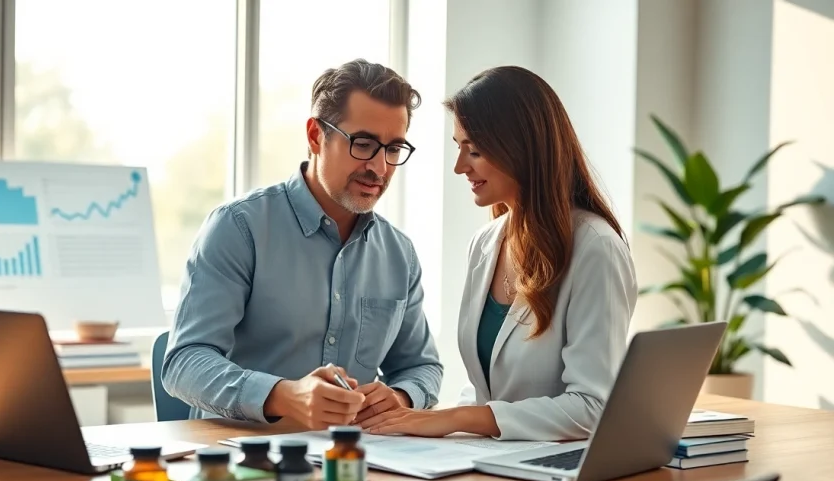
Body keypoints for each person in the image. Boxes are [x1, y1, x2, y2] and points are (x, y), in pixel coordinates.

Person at [162, 59, 443, 430]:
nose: (379, 167)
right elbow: (184, 362)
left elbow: (421, 366)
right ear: (315, 136)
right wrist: (283, 395)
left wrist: (401, 396)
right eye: (363, 144)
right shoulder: (238, 227)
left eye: (393, 149)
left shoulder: (398, 254)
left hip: (356, 461)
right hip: (245, 460)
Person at [363, 65, 637, 441]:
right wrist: (418, 423)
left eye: (473, 150)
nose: (460, 167)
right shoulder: (485, 244)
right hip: (492, 464)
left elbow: (593, 407)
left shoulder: (596, 248)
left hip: (556, 478)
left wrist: (457, 419)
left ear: (521, 148)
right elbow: (485, 392)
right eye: (458, 148)